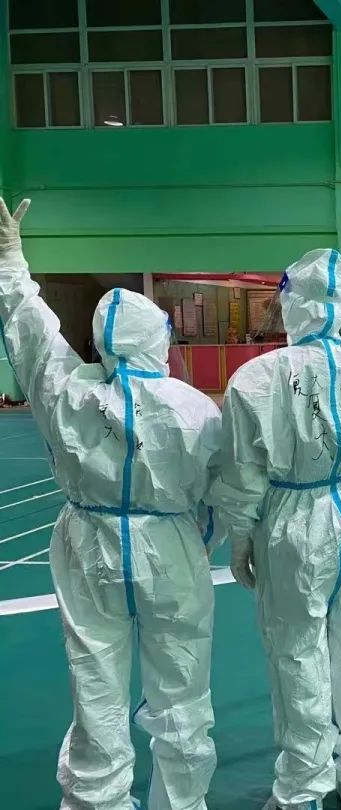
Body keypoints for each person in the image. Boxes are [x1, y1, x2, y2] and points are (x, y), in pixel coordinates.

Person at [0, 198, 221, 810]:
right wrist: (201, 541)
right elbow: (219, 495)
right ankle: (182, 800)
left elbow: (32, 335)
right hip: (171, 550)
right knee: (182, 685)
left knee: (95, 680)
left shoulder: (67, 392)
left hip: (88, 546)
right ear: (159, 340)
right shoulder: (194, 407)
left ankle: (98, 800)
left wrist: (11, 263)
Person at [208, 187, 341, 810]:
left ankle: (304, 781)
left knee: (297, 648)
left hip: (294, 522)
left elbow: (244, 472)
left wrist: (241, 537)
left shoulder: (257, 379)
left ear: (290, 304)